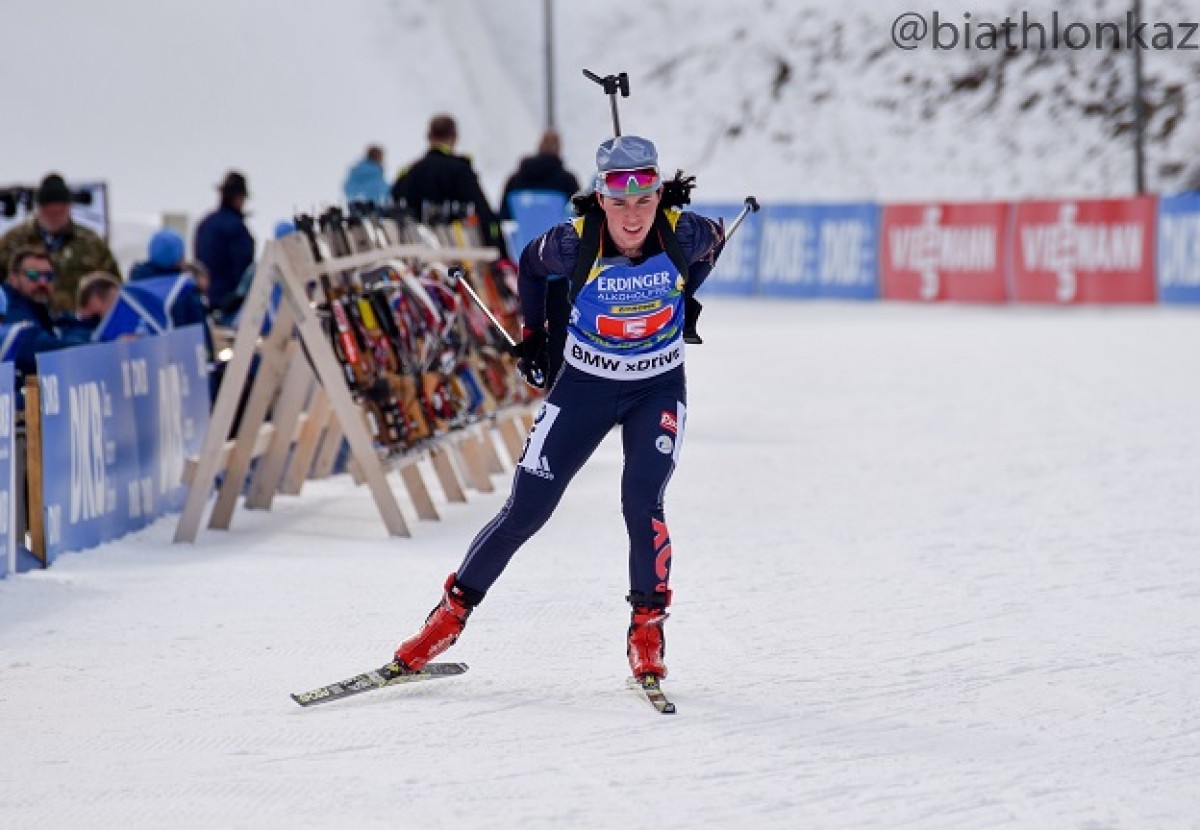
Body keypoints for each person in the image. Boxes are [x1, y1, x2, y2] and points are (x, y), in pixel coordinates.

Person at [386, 135, 724, 684]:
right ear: (600, 201)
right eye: (620, 204)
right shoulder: (572, 245)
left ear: (659, 197)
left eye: (644, 202)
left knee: (643, 503)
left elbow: (714, 242)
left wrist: (686, 293)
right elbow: (528, 264)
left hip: (656, 389)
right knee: (526, 511)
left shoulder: (684, 231)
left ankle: (647, 632)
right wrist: (536, 334)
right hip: (584, 387)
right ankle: (444, 621)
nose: (633, 217)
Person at [0, 173, 121, 313]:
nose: (54, 217)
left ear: (69, 209)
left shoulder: (91, 244)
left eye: (60, 211)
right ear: (38, 209)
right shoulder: (13, 241)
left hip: (79, 325)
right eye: (49, 212)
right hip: (26, 321)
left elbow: (114, 287)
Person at [391, 114, 507, 255]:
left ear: (429, 136)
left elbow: (395, 212)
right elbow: (484, 214)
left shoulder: (408, 173)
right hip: (456, 254)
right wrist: (499, 250)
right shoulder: (460, 170)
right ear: (454, 137)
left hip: (417, 256)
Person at [0, 247, 93, 376]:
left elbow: (64, 325)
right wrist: (102, 347)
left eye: (48, 276)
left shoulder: (41, 309)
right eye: (33, 275)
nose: (42, 282)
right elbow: (40, 348)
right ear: (13, 278)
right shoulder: (8, 308)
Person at [194, 171, 256, 314]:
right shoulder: (236, 228)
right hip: (230, 304)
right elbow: (243, 270)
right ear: (238, 198)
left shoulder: (204, 224)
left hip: (206, 301)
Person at [499, 129, 581, 219]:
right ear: (559, 149)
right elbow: (580, 216)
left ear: (539, 147)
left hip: (523, 232)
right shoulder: (568, 182)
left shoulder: (514, 181)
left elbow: (504, 216)